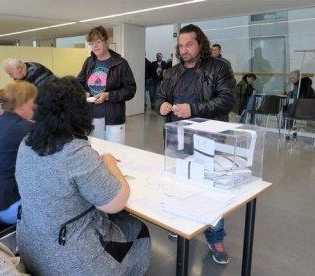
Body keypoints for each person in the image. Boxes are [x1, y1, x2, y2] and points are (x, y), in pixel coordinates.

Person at [15, 76, 151, 275]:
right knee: (137, 229)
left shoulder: (26, 143)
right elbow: (116, 203)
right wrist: (110, 163)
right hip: (70, 259)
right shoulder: (75, 151)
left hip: (30, 247)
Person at [156, 24, 235, 265]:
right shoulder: (173, 71)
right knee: (179, 184)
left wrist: (194, 109)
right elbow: (161, 95)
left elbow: (227, 99)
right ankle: (180, 223)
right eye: (180, 46)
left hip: (209, 139)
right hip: (177, 138)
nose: (184, 50)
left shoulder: (219, 67)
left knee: (212, 189)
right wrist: (161, 106)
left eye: (189, 44)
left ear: (200, 43)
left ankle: (215, 236)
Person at [0, 81, 37, 225]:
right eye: (32, 101)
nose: (35, 105)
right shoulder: (26, 129)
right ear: (22, 103)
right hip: (9, 208)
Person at [77, 25, 136, 144]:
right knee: (97, 152)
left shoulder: (120, 63)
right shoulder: (89, 62)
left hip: (114, 118)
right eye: (91, 43)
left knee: (115, 154)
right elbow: (79, 82)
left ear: (106, 42)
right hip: (93, 117)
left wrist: (108, 95)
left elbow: (130, 89)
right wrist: (83, 92)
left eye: (98, 41)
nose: (95, 46)